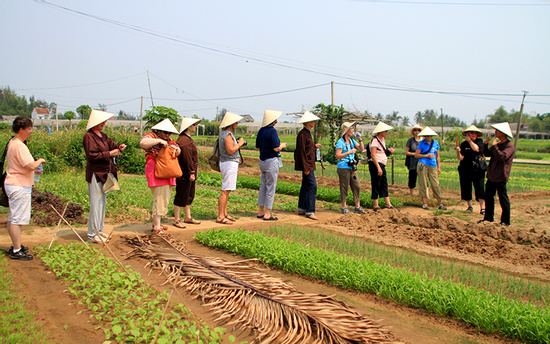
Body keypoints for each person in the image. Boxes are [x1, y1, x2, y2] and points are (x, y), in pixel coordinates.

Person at [5, 116, 46, 260]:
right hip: (19, 185)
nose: (31, 131)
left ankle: (16, 245)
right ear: (21, 129)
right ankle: (17, 250)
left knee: (13, 217)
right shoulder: (19, 146)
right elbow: (29, 165)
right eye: (29, 128)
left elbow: (22, 165)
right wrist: (39, 161)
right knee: (17, 219)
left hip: (14, 182)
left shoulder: (12, 142)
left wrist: (33, 169)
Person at [83, 110, 127, 243]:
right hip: (96, 173)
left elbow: (113, 146)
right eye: (101, 122)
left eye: (104, 122)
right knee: (95, 204)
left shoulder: (103, 136)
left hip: (105, 173)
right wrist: (109, 153)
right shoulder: (88, 136)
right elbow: (92, 155)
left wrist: (120, 147)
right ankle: (92, 234)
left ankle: (99, 230)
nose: (103, 124)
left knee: (102, 203)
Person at [139, 118, 181, 234]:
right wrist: (158, 141)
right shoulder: (151, 136)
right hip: (156, 170)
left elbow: (178, 151)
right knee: (160, 198)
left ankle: (157, 224)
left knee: (164, 197)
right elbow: (142, 143)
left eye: (169, 133)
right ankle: (157, 227)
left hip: (167, 172)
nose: (167, 135)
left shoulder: (171, 141)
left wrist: (176, 149)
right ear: (159, 131)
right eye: (165, 132)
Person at [479, 122, 515, 226]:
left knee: (503, 199)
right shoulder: (498, 145)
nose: (495, 132)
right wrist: (485, 144)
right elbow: (486, 153)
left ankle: (505, 221)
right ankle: (488, 217)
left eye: (497, 131)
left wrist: (494, 147)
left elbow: (502, 157)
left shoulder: (509, 146)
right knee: (489, 197)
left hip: (501, 176)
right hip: (492, 175)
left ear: (503, 133)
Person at [256, 110, 287, 221]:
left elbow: (258, 147)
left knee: (263, 185)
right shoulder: (272, 131)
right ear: (272, 121)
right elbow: (276, 148)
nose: (276, 121)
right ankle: (268, 213)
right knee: (271, 187)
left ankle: (261, 210)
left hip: (262, 161)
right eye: (275, 120)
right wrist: (282, 146)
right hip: (271, 161)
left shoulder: (261, 130)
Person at [216, 112, 246, 225]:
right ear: (231, 124)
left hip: (226, 162)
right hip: (229, 163)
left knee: (227, 190)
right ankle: (220, 216)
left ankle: (224, 213)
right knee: (225, 190)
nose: (237, 124)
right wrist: (240, 144)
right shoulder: (227, 135)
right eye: (236, 122)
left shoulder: (223, 133)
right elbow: (230, 150)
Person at [173, 117, 201, 228]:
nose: (195, 127)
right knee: (181, 194)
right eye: (194, 125)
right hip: (185, 173)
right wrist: (191, 172)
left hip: (188, 172)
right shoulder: (184, 140)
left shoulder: (187, 139)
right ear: (188, 127)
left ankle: (187, 217)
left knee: (189, 194)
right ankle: (176, 219)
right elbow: (187, 158)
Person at [295, 111, 321, 220]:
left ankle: (301, 208)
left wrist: (314, 147)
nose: (314, 122)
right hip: (308, 166)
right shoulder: (302, 134)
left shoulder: (307, 133)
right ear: (308, 122)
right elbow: (301, 152)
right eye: (313, 121)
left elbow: (306, 148)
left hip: (310, 164)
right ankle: (310, 211)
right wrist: (306, 167)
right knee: (312, 186)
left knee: (306, 186)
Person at [335, 121, 365, 214]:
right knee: (344, 187)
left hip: (352, 167)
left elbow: (361, 148)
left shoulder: (352, 141)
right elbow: (338, 155)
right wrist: (349, 152)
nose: (352, 130)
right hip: (343, 167)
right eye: (351, 128)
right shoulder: (340, 142)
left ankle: (357, 206)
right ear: (346, 130)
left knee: (357, 186)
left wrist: (360, 139)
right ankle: (344, 207)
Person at [456, 125, 486, 213]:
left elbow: (477, 149)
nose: (473, 135)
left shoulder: (479, 142)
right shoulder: (463, 144)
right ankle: (470, 206)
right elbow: (461, 158)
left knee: (480, 187)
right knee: (466, 187)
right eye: (470, 133)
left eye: (474, 133)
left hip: (477, 168)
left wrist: (469, 141)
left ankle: (482, 208)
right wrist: (458, 152)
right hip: (466, 168)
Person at [415, 127, 446, 210]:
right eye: (426, 135)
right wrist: (426, 156)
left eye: (429, 135)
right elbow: (416, 155)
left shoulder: (436, 143)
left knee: (435, 184)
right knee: (423, 183)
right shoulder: (421, 143)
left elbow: (438, 156)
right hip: (423, 164)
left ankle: (440, 203)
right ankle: (424, 203)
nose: (428, 136)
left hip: (433, 165)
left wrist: (439, 167)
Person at [368, 122, 395, 211]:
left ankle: (388, 204)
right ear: (381, 132)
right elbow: (373, 155)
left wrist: (389, 151)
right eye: (385, 131)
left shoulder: (382, 140)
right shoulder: (375, 140)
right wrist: (378, 168)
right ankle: (376, 205)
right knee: (376, 183)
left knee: (384, 184)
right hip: (376, 165)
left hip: (381, 164)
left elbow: (382, 151)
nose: (387, 132)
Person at [405, 124, 427, 197]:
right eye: (415, 130)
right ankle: (411, 195)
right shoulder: (410, 141)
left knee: (424, 178)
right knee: (412, 178)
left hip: (422, 162)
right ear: (413, 131)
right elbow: (406, 152)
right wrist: (414, 154)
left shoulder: (424, 141)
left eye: (418, 130)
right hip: (413, 162)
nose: (417, 131)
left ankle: (426, 194)